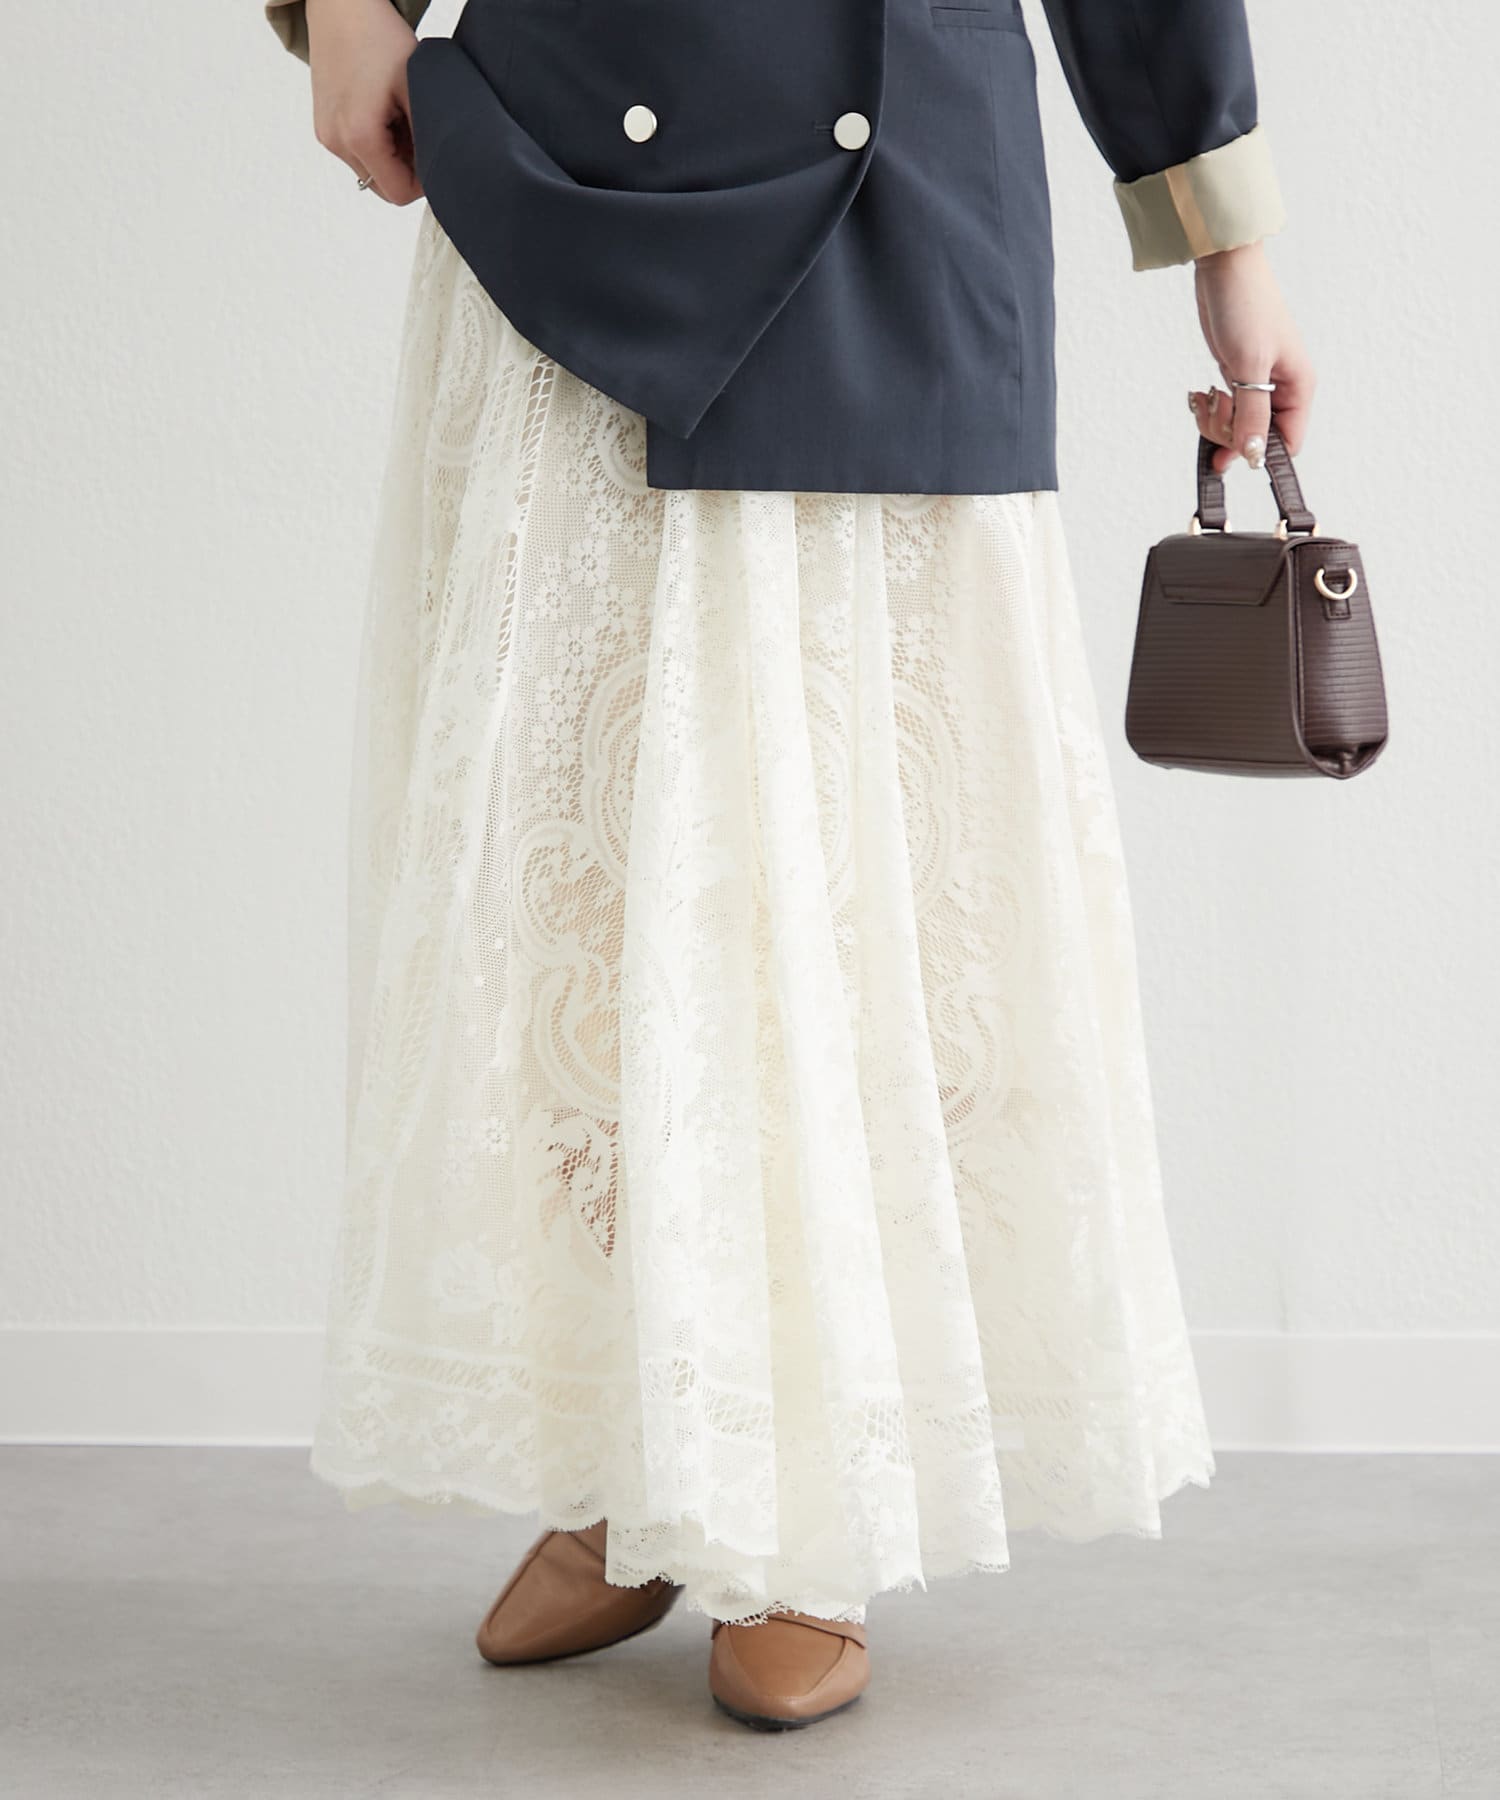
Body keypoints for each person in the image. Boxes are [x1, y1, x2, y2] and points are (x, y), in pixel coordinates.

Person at [266, 0, 1314, 1732]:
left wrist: (1227, 234)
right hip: (562, 147)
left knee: (852, 884)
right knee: (570, 873)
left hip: (889, 183)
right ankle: (635, 1452)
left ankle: (796, 1503)